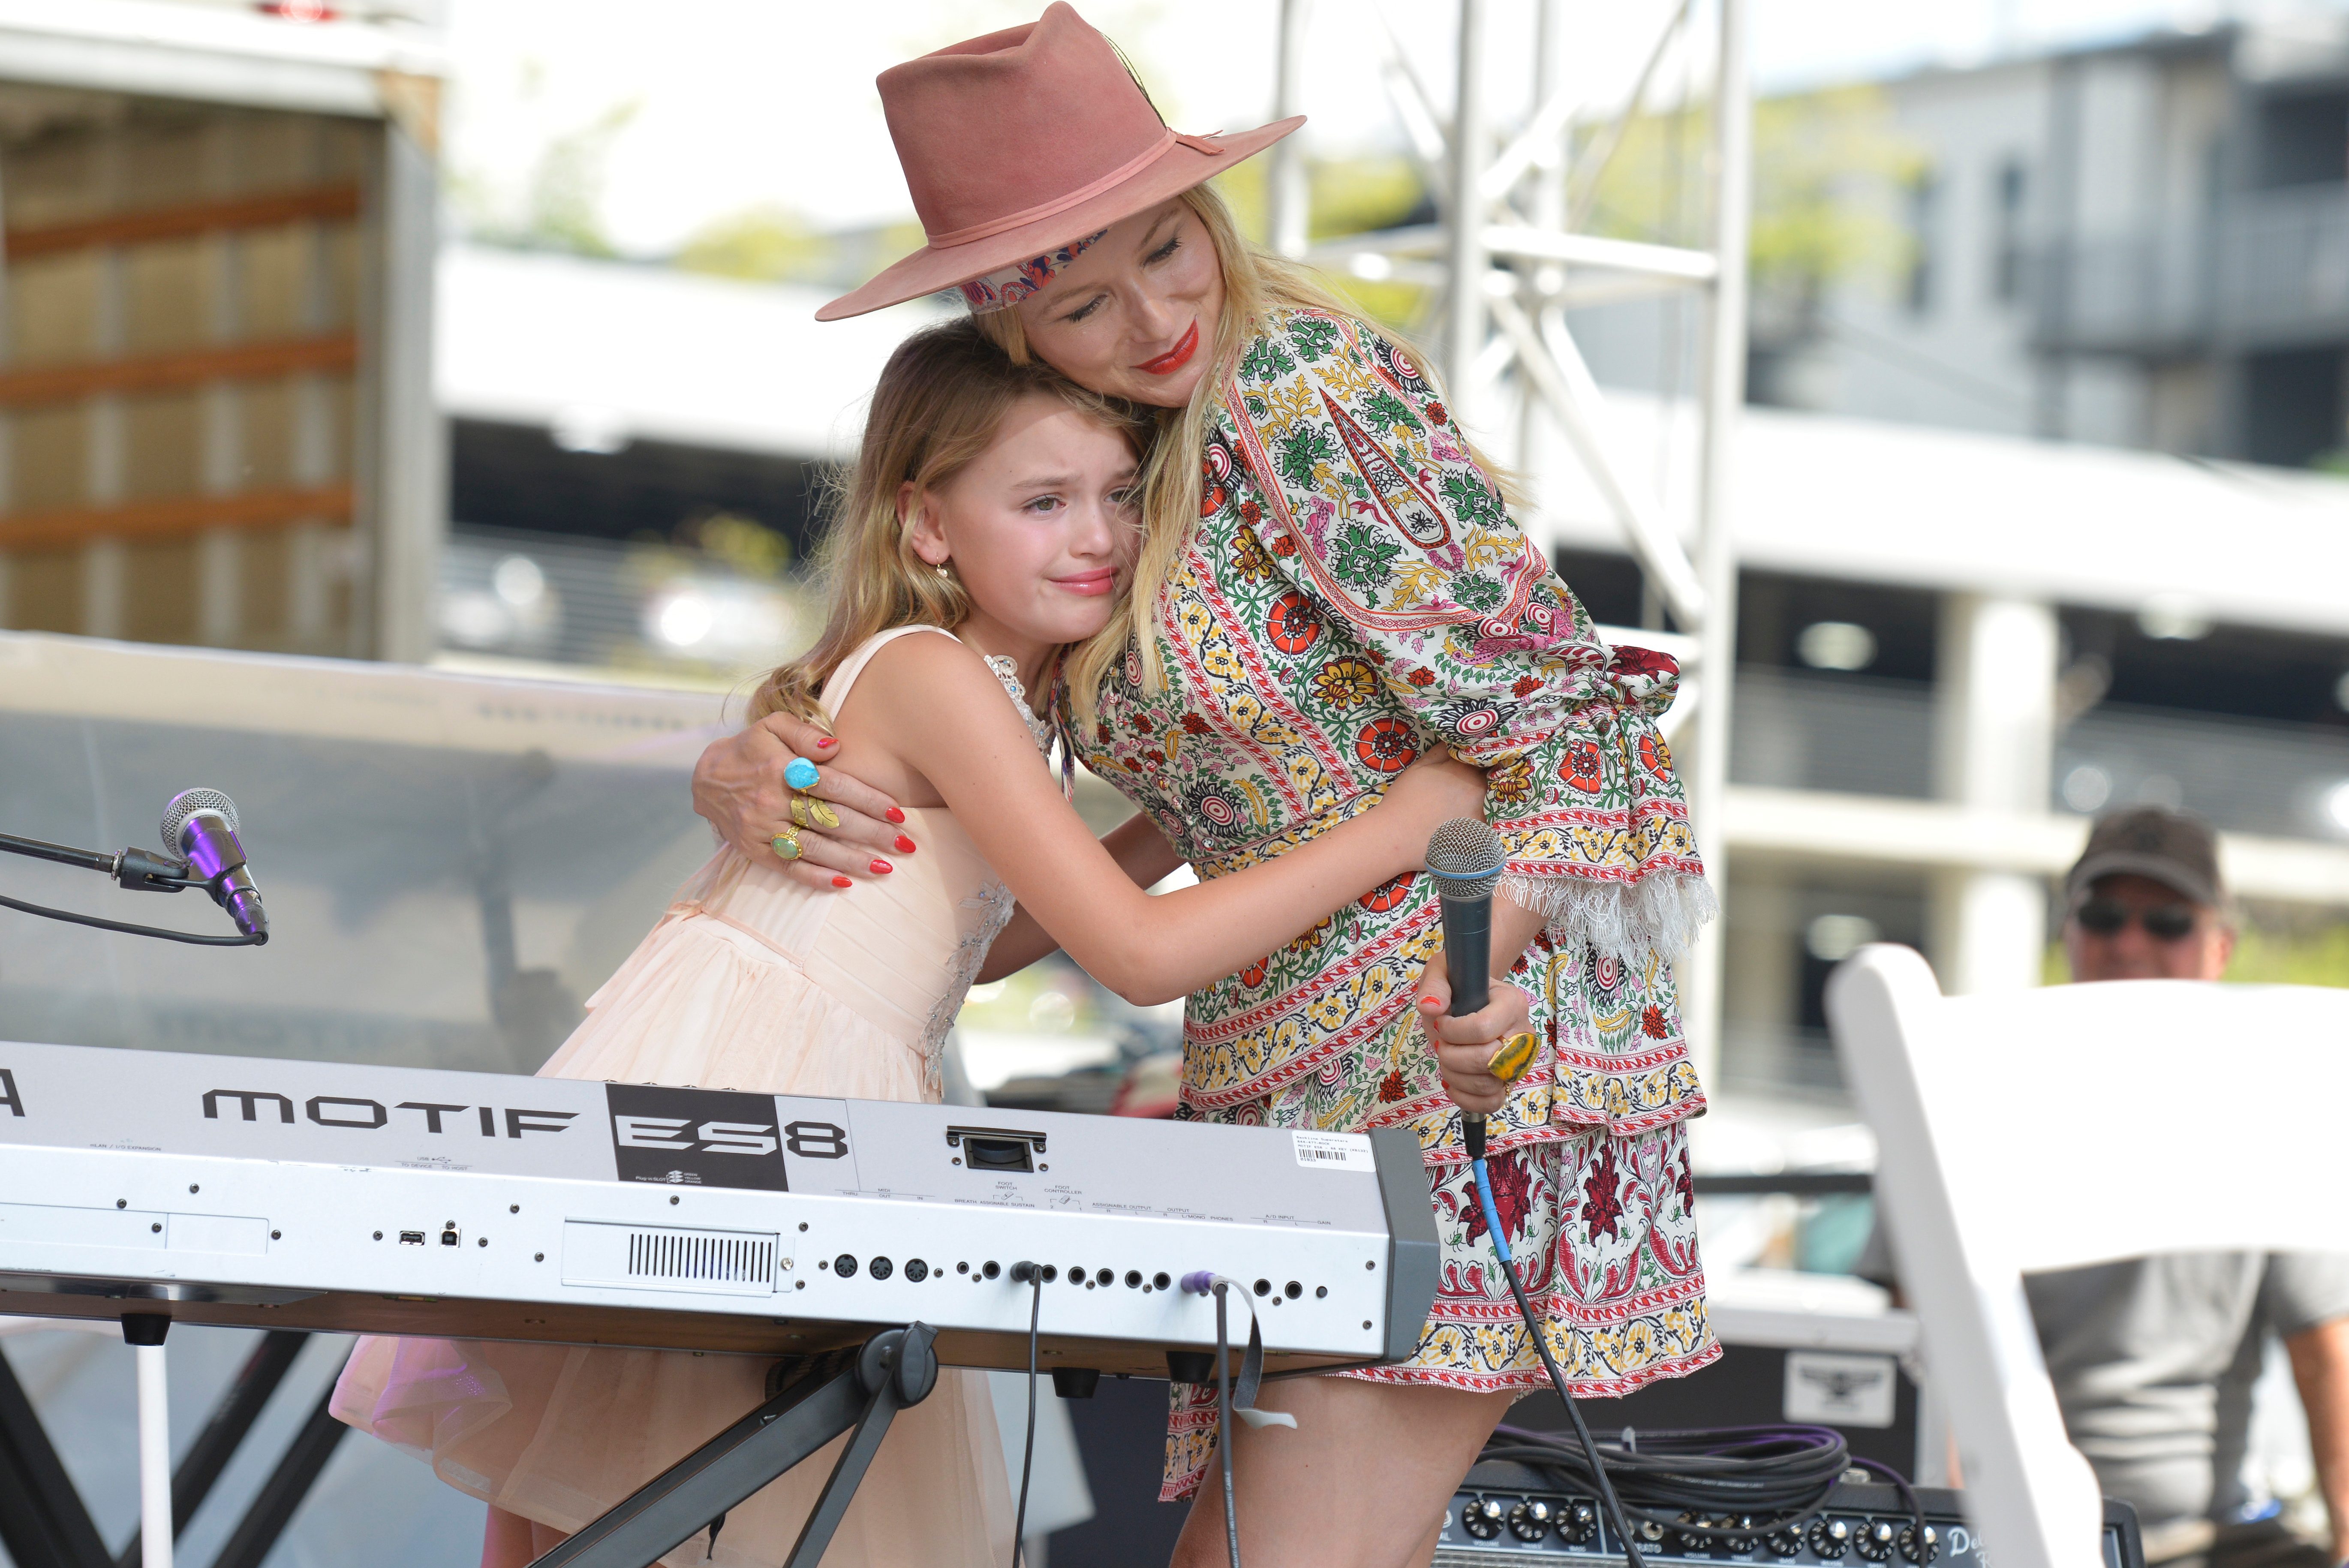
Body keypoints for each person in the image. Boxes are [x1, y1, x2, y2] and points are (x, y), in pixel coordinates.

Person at [686, 10, 1718, 1566]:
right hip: (1278, 1065)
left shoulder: (1294, 380)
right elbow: (1200, 772)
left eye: (1173, 250)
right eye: (1086, 301)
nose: (1157, 314)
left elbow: (1575, 718)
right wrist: (756, 756)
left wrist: (1481, 957)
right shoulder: (1117, 457)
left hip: (1439, 1068)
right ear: (1007, 322)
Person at [329, 320, 1494, 1568]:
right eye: (1042, 501)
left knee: (669, 1510)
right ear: (928, 525)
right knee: (634, 1504)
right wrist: (1399, 826)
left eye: (1116, 497)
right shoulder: (937, 675)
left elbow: (974, 945)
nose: (1096, 536)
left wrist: (1184, 819)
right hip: (756, 1090)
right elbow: (1142, 960)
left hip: (815, 1082)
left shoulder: (997, 696)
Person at [1865, 807, 2349, 1568]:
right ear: (2068, 930)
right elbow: (1924, 1364)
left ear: (2222, 945)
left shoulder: (2266, 1115)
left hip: (2213, 1542)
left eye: (2166, 921)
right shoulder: (1961, 1099)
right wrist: (1967, 1539)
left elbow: (2327, 1351)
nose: (2129, 942)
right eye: (2104, 913)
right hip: (2009, 1539)